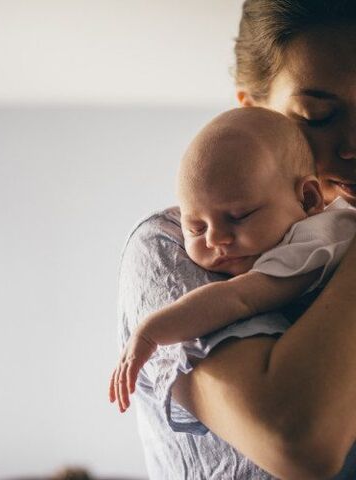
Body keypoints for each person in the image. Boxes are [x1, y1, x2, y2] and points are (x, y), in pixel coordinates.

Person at [115, 1, 356, 479]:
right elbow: (297, 442)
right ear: (254, 110)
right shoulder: (180, 246)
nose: (353, 145)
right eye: (318, 116)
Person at [109, 107, 356, 411]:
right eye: (196, 227)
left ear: (308, 199)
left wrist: (150, 332)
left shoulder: (319, 239)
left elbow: (238, 298)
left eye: (239, 216)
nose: (215, 239)